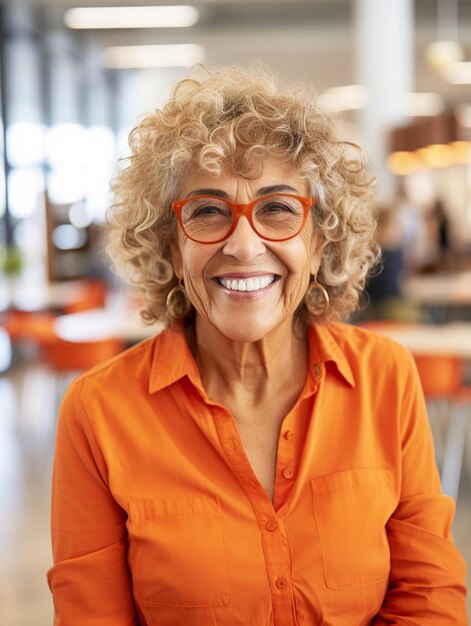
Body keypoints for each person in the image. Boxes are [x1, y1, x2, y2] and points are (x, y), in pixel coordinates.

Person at [47, 65, 467, 625]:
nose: (244, 247)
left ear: (320, 242)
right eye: (208, 211)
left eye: (277, 209)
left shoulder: (385, 377)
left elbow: (430, 597)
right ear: (170, 249)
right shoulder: (98, 411)